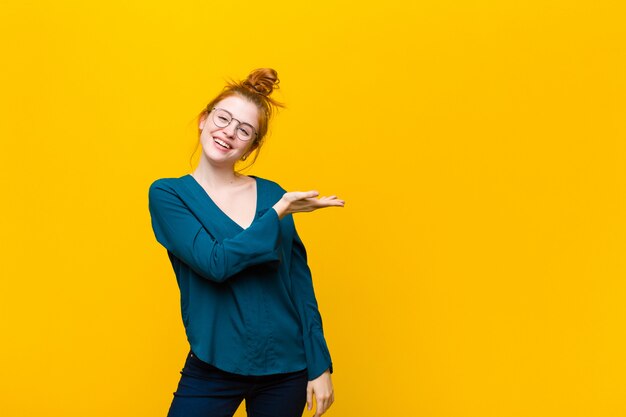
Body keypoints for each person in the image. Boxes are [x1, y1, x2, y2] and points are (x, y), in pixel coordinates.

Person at [148, 68, 343, 417]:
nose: (228, 132)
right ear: (203, 120)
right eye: (223, 118)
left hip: (286, 369)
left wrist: (319, 364)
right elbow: (215, 264)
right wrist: (278, 213)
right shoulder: (169, 194)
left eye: (244, 129)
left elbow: (300, 286)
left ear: (251, 145)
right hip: (213, 364)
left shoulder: (272, 194)